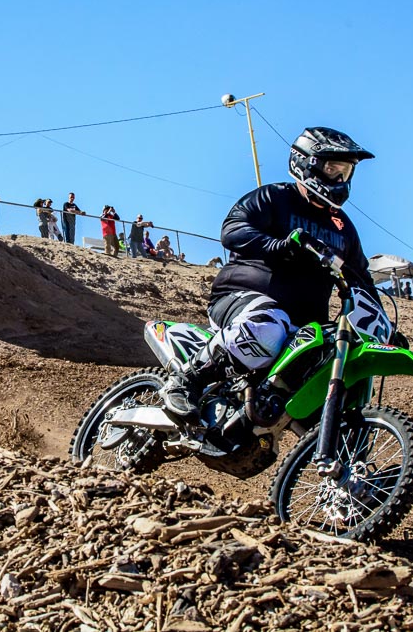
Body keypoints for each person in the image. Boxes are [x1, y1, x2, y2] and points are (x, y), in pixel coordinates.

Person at [162, 127, 378, 423]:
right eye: (332, 169)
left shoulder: (343, 229)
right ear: (306, 163)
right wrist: (279, 245)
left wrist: (384, 326)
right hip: (241, 299)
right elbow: (232, 229)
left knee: (330, 356)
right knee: (269, 324)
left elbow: (361, 280)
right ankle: (185, 381)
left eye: (346, 172)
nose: (340, 179)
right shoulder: (274, 198)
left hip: (303, 325)